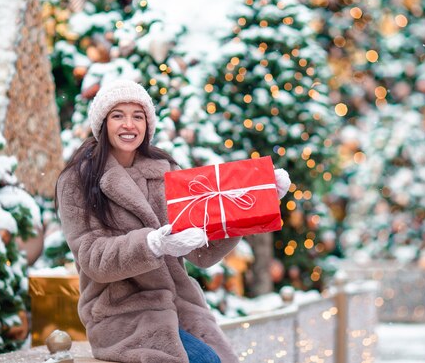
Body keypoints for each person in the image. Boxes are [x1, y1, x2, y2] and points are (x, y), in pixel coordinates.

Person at [55, 80, 291, 363]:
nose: (129, 124)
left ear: (147, 125)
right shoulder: (78, 180)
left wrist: (260, 199)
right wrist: (152, 245)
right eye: (118, 115)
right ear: (103, 123)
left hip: (181, 307)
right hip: (121, 314)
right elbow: (91, 258)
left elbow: (201, 253)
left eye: (137, 116)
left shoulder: (165, 172)